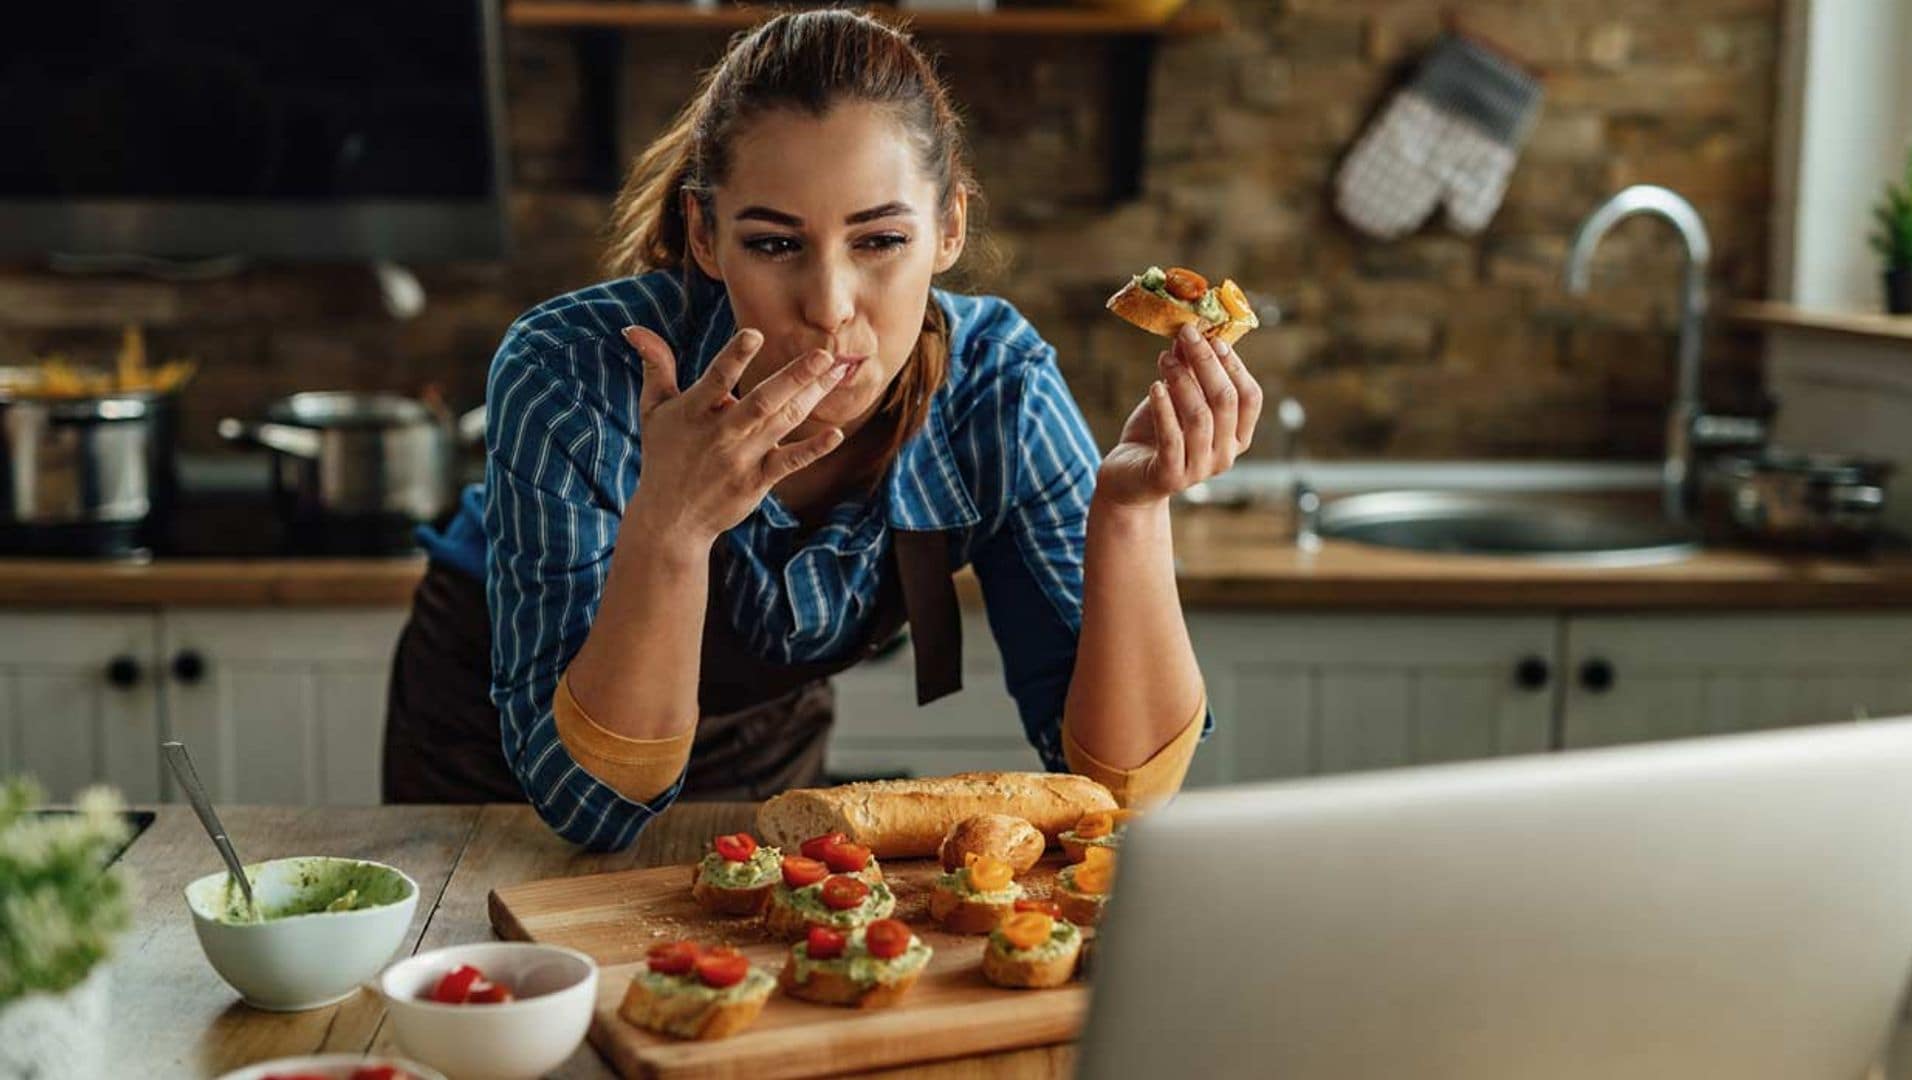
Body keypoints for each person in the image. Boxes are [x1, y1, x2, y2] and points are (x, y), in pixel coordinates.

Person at [383, 9, 1263, 850]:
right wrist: (672, 527)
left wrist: (1132, 513)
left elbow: (1118, 795)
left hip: (763, 741)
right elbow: (589, 811)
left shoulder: (998, 386)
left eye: (879, 241)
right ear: (703, 233)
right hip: (497, 761)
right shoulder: (569, 370)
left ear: (948, 227)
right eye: (773, 245)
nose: (829, 307)